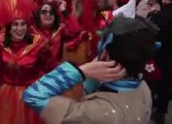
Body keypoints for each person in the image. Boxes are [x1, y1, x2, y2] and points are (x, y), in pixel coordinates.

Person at [23, 16, 158, 124]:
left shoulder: (93, 113)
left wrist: (81, 71)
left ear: (105, 54)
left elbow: (33, 95)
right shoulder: (143, 88)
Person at [0, 0, 51, 124]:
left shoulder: (38, 43)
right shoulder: (1, 42)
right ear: (9, 27)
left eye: (23, 25)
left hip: (31, 95)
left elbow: (47, 70)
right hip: (7, 94)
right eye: (15, 25)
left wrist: (41, 89)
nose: (19, 29)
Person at [148, 0, 172, 124]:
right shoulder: (165, 9)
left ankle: (160, 110)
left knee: (162, 80)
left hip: (165, 52)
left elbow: (157, 29)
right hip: (169, 52)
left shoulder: (167, 12)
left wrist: (154, 15)